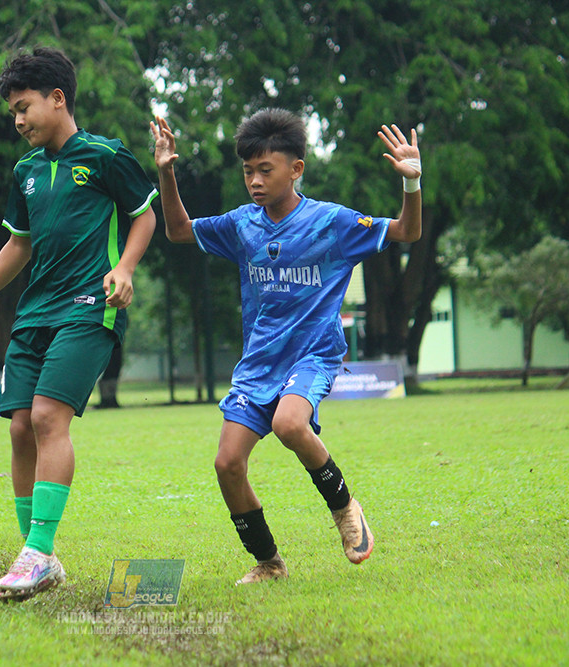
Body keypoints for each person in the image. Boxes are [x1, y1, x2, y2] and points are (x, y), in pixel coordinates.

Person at [151, 109, 422, 584]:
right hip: (258, 364)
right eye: (247, 171)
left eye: (265, 170)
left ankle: (345, 508)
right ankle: (269, 564)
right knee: (227, 463)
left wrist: (411, 185)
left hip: (313, 354)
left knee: (289, 423)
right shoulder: (242, 225)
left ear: (295, 169)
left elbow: (407, 231)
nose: (254, 181)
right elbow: (178, 230)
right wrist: (167, 172)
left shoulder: (331, 223)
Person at [0, 46, 157, 602]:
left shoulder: (107, 156)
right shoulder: (26, 171)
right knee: (18, 429)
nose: (17, 121)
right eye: (12, 111)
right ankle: (42, 559)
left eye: (23, 107)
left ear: (57, 99)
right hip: (33, 313)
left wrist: (124, 269)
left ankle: (35, 552)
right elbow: (19, 244)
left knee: (47, 417)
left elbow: (144, 217)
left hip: (88, 307)